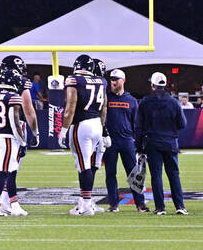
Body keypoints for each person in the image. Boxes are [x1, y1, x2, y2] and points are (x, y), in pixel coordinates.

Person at [59, 54, 107, 216]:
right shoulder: (102, 81)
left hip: (82, 125)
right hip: (97, 125)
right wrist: (103, 130)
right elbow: (104, 109)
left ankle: (86, 205)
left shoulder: (74, 80)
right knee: (90, 163)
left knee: (83, 164)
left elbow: (70, 108)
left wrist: (64, 130)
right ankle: (85, 202)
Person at [135, 71, 187, 216]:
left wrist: (139, 146)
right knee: (174, 175)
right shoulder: (174, 102)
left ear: (152, 85)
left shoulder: (145, 102)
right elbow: (182, 123)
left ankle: (160, 208)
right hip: (170, 142)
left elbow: (138, 127)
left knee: (156, 176)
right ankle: (180, 206)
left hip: (153, 143)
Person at [0, 66, 28, 217]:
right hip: (8, 138)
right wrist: (22, 142)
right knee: (3, 172)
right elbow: (15, 123)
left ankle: (15, 205)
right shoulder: (13, 97)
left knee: (9, 171)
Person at [104, 69, 147, 213]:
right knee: (110, 173)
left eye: (116, 79)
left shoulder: (131, 100)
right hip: (110, 142)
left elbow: (137, 123)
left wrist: (137, 141)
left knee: (133, 173)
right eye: (111, 79)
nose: (113, 82)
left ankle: (140, 204)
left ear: (123, 80)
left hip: (127, 141)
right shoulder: (106, 98)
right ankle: (113, 204)